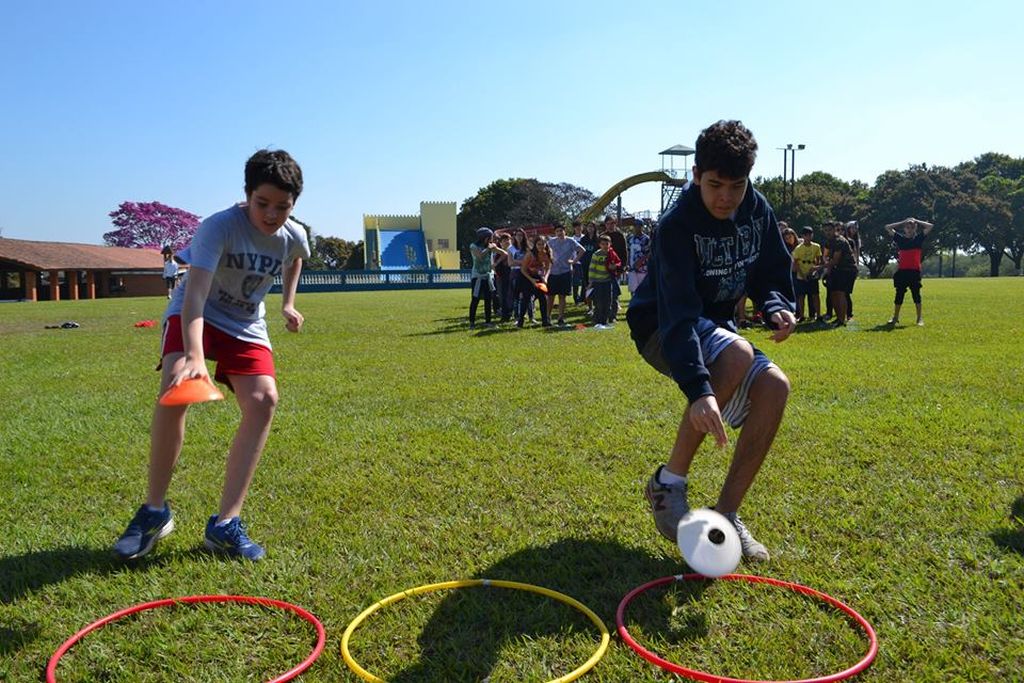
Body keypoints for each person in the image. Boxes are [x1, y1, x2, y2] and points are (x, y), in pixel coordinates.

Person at [113, 149, 309, 562]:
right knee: (176, 387)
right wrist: (195, 356)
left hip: (246, 322)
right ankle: (153, 512)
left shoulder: (294, 234)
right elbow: (196, 295)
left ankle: (225, 525)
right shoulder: (218, 228)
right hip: (197, 314)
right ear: (246, 193)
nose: (272, 214)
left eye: (282, 207)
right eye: (262, 204)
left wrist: (287, 303)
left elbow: (295, 260)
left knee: (263, 401)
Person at [627, 120, 795, 562]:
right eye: (715, 184)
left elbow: (771, 270)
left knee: (776, 387)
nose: (725, 197)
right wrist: (700, 390)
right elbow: (678, 313)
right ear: (697, 174)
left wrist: (776, 302)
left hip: (714, 327)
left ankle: (726, 517)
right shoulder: (676, 225)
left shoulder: (757, 210)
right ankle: (669, 483)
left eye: (736, 186)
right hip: (662, 326)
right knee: (737, 351)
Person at [885, 217, 934, 326]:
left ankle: (919, 319)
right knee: (899, 295)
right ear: (904, 229)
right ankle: (895, 318)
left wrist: (916, 220)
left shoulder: (918, 239)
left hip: (914, 272)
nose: (910, 229)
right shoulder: (900, 239)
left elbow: (930, 226)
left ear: (915, 228)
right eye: (907, 227)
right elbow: (887, 227)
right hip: (902, 272)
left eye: (912, 227)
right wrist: (904, 221)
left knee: (916, 295)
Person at [546, 223, 585, 326]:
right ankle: (547, 317)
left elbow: (582, 250)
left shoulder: (571, 241)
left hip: (565, 271)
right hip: (553, 272)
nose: (559, 233)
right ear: (555, 233)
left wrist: (574, 261)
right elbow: (543, 253)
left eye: (561, 231)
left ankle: (560, 318)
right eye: (557, 231)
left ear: (565, 231)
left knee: (562, 296)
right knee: (550, 296)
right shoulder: (550, 242)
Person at [468, 227, 505, 329]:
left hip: (488, 276)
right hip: (477, 277)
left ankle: (488, 322)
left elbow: (504, 254)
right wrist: (489, 249)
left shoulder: (490, 246)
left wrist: (496, 254)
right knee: (475, 299)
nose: (492, 239)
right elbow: (479, 257)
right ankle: (472, 322)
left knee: (488, 299)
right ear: (484, 237)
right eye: (490, 237)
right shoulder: (473, 246)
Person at [822, 222, 857, 326]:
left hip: (847, 270)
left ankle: (842, 320)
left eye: (829, 230)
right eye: (825, 230)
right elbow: (826, 255)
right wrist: (826, 267)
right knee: (833, 293)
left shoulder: (839, 241)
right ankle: (838, 318)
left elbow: (835, 261)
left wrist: (818, 268)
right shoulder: (828, 242)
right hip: (836, 270)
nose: (827, 232)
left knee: (841, 293)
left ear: (834, 230)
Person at [588, 233, 622, 329]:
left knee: (608, 301)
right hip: (597, 282)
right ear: (599, 244)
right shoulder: (596, 254)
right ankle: (597, 320)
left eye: (607, 244)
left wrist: (615, 266)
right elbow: (592, 268)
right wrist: (591, 281)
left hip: (608, 281)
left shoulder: (612, 253)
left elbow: (618, 262)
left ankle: (605, 321)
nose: (605, 246)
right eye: (603, 244)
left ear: (610, 244)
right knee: (598, 302)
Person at [518, 234, 552, 327]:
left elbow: (548, 267)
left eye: (543, 244)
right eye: (539, 244)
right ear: (535, 245)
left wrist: (545, 277)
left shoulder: (546, 253)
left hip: (539, 277)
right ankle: (520, 321)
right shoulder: (530, 254)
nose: (541, 246)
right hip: (527, 277)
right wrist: (531, 280)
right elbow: (523, 269)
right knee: (526, 299)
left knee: (543, 299)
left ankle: (545, 321)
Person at [791, 226, 823, 322]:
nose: (808, 237)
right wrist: (802, 275)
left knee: (815, 295)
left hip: (812, 275)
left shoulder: (816, 247)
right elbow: (796, 263)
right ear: (802, 236)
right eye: (806, 235)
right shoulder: (798, 249)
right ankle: (801, 315)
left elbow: (819, 260)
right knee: (801, 296)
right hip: (801, 276)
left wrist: (815, 270)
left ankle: (818, 315)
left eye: (810, 235)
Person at [493, 232, 514, 322]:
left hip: (512, 276)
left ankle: (513, 313)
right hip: (500, 277)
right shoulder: (496, 253)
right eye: (504, 240)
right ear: (500, 243)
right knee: (502, 296)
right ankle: (505, 315)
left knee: (512, 296)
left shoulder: (514, 251)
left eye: (508, 240)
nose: (506, 242)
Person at [626, 220, 652, 294]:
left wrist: (639, 262)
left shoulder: (646, 239)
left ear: (642, 227)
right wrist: (627, 264)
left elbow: (649, 253)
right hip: (632, 269)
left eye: (639, 226)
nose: (636, 227)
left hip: (643, 270)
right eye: (635, 226)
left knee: (643, 290)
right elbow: (628, 251)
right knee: (633, 291)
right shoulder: (630, 238)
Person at [844, 221, 862, 320]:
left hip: (851, 267)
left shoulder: (855, 241)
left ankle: (849, 313)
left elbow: (857, 254)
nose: (854, 230)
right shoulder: (844, 239)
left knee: (846, 292)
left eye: (855, 229)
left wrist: (857, 266)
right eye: (852, 228)